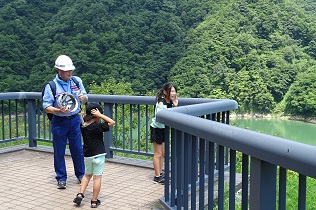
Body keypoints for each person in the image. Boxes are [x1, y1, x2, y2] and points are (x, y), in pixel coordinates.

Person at [42, 55, 88, 189]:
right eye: (67, 70)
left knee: (78, 149)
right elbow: (46, 107)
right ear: (58, 71)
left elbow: (85, 98)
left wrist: (83, 97)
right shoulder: (51, 86)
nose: (70, 72)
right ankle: (61, 178)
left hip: (74, 120)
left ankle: (81, 175)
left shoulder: (76, 81)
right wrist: (58, 110)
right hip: (59, 121)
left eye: (71, 70)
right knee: (59, 150)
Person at [73, 102, 115, 208]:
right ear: (96, 115)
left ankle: (80, 194)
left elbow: (84, 118)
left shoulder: (83, 126)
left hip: (87, 156)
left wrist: (89, 115)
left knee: (87, 175)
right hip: (98, 155)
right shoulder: (97, 126)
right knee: (97, 178)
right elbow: (112, 122)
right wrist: (100, 115)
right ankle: (94, 201)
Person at [150, 82, 178, 184]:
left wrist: (175, 106)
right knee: (158, 154)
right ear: (166, 92)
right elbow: (161, 118)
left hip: (163, 129)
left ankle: (160, 173)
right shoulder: (162, 103)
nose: (174, 93)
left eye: (175, 91)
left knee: (163, 153)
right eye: (172, 91)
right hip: (157, 129)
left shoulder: (169, 102)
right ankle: (157, 176)